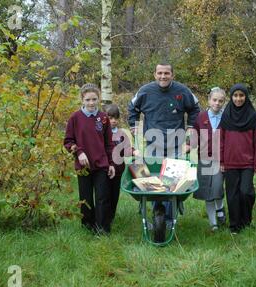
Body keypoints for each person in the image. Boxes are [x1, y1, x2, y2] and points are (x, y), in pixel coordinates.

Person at [128, 62, 201, 226]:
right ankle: (156, 214)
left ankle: (168, 218)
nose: (163, 76)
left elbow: (195, 108)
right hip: (153, 144)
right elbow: (132, 107)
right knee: (154, 182)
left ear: (172, 75)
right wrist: (134, 126)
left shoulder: (182, 91)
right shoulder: (145, 91)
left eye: (166, 73)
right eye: (160, 73)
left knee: (171, 182)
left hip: (176, 145)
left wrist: (190, 128)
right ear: (154, 74)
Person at [64, 84, 116, 234]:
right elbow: (68, 141)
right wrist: (79, 152)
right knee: (85, 198)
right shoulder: (75, 118)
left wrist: (111, 163)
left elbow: (108, 143)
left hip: (101, 164)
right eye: (88, 100)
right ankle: (88, 226)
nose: (91, 103)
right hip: (84, 166)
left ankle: (102, 228)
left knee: (102, 197)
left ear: (98, 99)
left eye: (94, 99)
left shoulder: (103, 118)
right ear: (82, 99)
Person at [220, 83, 256, 234]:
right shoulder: (226, 115)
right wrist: (221, 161)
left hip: (247, 163)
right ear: (231, 97)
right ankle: (234, 226)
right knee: (232, 195)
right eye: (235, 95)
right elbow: (221, 140)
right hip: (230, 162)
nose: (238, 98)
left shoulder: (252, 115)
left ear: (246, 96)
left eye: (241, 95)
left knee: (246, 192)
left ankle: (246, 221)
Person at [193, 87, 227, 232]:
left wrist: (224, 161)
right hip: (204, 158)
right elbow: (194, 135)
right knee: (207, 191)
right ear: (209, 100)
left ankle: (220, 208)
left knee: (217, 187)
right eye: (214, 100)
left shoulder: (226, 118)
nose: (217, 103)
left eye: (220, 101)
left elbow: (229, 140)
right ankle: (213, 223)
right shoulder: (201, 117)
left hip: (220, 159)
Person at [104, 103, 135, 225]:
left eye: (116, 118)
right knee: (103, 194)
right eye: (110, 118)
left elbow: (127, 150)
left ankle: (111, 216)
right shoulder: (100, 133)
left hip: (118, 169)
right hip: (104, 168)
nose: (113, 121)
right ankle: (102, 216)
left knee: (114, 193)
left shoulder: (121, 134)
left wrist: (134, 152)